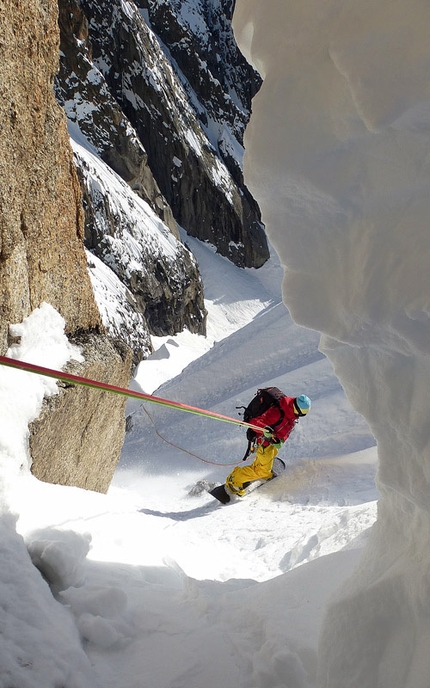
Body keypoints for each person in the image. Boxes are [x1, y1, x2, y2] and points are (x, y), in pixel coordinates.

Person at [225, 394, 311, 497]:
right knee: (262, 471)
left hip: (271, 444)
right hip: (263, 443)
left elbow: (286, 431)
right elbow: (254, 422)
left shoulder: (291, 415)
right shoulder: (278, 412)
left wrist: (281, 441)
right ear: (297, 408)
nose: (300, 417)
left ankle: (263, 470)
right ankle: (234, 480)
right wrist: (265, 429)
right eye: (301, 414)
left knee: (267, 459)